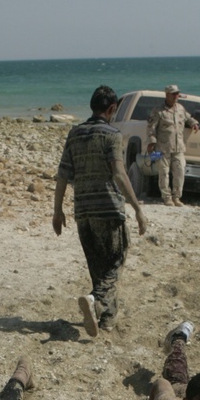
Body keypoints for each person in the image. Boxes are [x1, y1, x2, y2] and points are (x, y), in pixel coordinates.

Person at [53, 84, 148, 336]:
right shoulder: (112, 135)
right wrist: (137, 208)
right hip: (108, 209)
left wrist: (57, 211)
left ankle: (106, 318)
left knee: (97, 266)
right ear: (112, 108)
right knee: (116, 260)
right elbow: (118, 172)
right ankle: (95, 301)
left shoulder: (74, 134)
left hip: (83, 210)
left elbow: (63, 174)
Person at [147, 85, 199, 208]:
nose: (176, 96)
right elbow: (151, 127)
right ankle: (167, 198)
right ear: (167, 95)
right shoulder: (158, 111)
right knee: (164, 173)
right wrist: (151, 142)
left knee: (180, 172)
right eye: (173, 94)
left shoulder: (180, 108)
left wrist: (194, 123)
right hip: (162, 148)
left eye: (177, 94)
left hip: (178, 147)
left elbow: (188, 118)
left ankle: (177, 197)